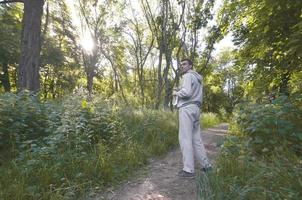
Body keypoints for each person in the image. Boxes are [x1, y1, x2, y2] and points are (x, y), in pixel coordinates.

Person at [173, 58, 212, 178]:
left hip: (187, 108)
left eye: (184, 64)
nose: (182, 66)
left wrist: (176, 93)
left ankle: (188, 170)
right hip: (196, 109)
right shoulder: (198, 78)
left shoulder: (188, 76)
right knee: (196, 139)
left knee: (185, 138)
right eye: (181, 64)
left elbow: (186, 92)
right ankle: (206, 166)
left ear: (190, 66)